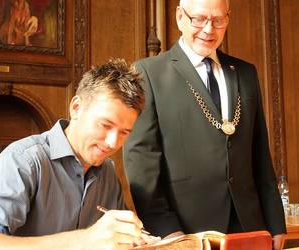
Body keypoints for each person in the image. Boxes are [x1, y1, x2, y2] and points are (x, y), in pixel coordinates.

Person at [123, 0, 287, 249]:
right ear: (180, 17)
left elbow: (260, 154)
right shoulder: (149, 73)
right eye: (198, 19)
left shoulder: (245, 73)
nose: (209, 29)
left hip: (250, 226)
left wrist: (275, 222)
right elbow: (141, 162)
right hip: (186, 231)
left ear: (228, 19)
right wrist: (166, 230)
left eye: (218, 20)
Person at [0, 58, 147, 250]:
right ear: (76, 108)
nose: (113, 143)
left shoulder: (107, 172)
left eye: (124, 133)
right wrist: (84, 241)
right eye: (105, 125)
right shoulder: (22, 161)